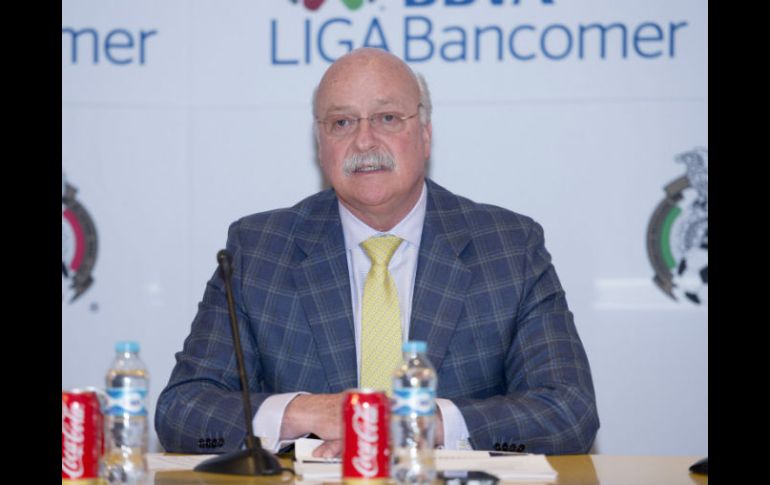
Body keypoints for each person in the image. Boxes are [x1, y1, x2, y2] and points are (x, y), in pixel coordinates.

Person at [155, 47, 599, 458]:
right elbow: (181, 411)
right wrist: (305, 413)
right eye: (342, 123)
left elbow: (569, 412)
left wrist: (422, 423)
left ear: (425, 134)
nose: (364, 141)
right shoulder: (259, 251)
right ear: (320, 144)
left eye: (387, 118)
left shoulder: (507, 247)